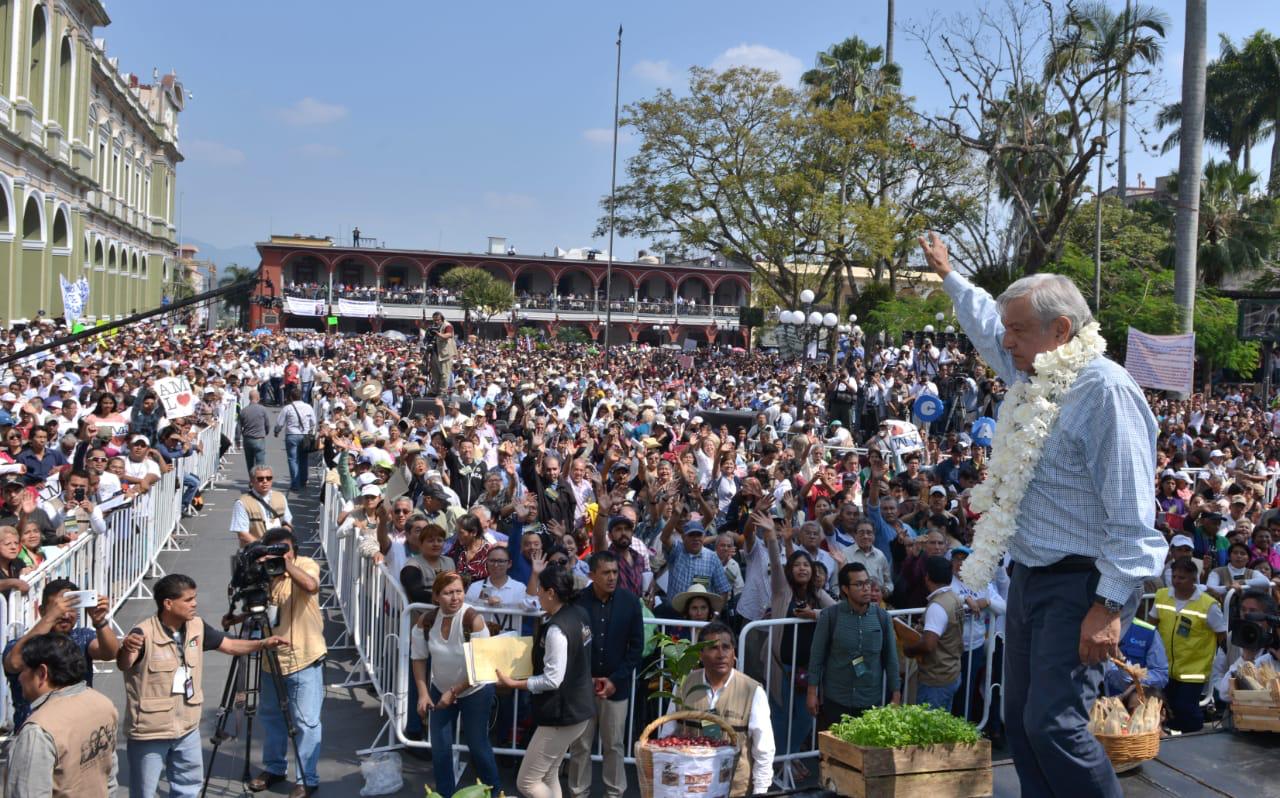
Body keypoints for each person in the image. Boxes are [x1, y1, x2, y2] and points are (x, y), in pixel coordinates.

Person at [920, 233, 1164, 797]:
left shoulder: (1104, 391)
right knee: (1024, 725)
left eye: (1018, 331)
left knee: (1055, 724)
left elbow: (1133, 517)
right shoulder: (1032, 375)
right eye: (1006, 330)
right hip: (1031, 575)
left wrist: (1107, 607)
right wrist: (948, 276)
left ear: (1062, 333)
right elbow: (986, 325)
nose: (1005, 343)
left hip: (1084, 584)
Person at [117, 573, 287, 798]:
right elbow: (124, 663)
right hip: (151, 732)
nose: (194, 603)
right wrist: (127, 648)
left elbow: (230, 645)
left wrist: (263, 643)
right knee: (144, 793)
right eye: (188, 600)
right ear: (168, 603)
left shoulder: (196, 626)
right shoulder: (142, 633)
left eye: (194, 598)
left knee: (189, 787)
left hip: (187, 728)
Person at [496, 566, 595, 798]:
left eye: (539, 590)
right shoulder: (579, 613)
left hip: (561, 715)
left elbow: (552, 680)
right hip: (577, 710)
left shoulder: (556, 629)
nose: (536, 594)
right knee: (548, 775)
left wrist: (514, 684)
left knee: (528, 782)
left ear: (551, 592)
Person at [246, 529, 325, 798]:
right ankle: (275, 768)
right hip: (271, 661)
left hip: (304, 658)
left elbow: (312, 586)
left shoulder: (304, 565)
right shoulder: (265, 573)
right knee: (271, 718)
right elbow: (255, 604)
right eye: (274, 550)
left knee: (306, 723)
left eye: (286, 549)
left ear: (295, 550)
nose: (280, 555)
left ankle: (307, 778)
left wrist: (284, 562)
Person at [410, 571, 501, 798]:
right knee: (440, 748)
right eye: (448, 593)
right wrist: (423, 693)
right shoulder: (426, 621)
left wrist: (454, 691)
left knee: (478, 745)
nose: (455, 598)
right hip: (440, 689)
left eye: (459, 591)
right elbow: (418, 658)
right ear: (436, 596)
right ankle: (445, 794)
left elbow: (482, 666)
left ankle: (496, 792)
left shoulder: (474, 619)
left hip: (476, 690)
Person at [664, 621, 775, 798]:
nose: (721, 654)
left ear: (734, 652)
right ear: (700, 654)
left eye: (726, 647)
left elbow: (764, 749)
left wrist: (760, 792)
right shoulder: (683, 685)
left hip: (735, 788)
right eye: (713, 648)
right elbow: (667, 736)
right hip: (690, 787)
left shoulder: (753, 691)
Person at [567, 552, 645, 798]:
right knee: (580, 746)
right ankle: (578, 793)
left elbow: (636, 648)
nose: (612, 577)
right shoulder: (577, 602)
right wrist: (584, 679)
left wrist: (615, 680)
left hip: (616, 688)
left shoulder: (630, 602)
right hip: (582, 688)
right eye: (606, 572)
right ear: (592, 575)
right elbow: (569, 646)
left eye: (615, 572)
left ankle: (614, 794)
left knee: (614, 745)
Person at [4, 633, 118, 798]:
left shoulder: (38, 730)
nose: (20, 678)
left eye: (23, 670)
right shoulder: (103, 704)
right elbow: (110, 779)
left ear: (42, 673)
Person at [3, 579, 119, 728]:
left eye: (72, 609)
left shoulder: (83, 636)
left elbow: (110, 653)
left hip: (78, 730)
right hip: (36, 733)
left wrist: (100, 621)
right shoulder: (18, 645)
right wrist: (51, 617)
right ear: (42, 611)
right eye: (58, 608)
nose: (65, 615)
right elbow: (15, 662)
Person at [808, 562, 900, 732]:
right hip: (836, 700)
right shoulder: (830, 616)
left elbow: (891, 660)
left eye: (867, 583)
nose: (866, 589)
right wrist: (812, 693)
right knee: (835, 754)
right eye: (859, 584)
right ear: (845, 589)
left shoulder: (882, 618)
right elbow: (816, 658)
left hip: (870, 701)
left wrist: (896, 695)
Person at [1150, 558, 1227, 733]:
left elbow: (1221, 635)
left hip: (1194, 668)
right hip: (1166, 664)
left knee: (1185, 707)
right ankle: (1174, 731)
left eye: (1182, 578)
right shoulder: (1162, 595)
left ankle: (1193, 731)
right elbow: (1152, 623)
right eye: (1175, 576)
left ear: (1194, 579)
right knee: (1169, 706)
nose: (1176, 581)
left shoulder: (1209, 605)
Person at [904, 555, 965, 712]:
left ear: (927, 577)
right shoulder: (955, 598)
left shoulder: (937, 606)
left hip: (936, 680)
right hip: (951, 673)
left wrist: (909, 650)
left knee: (929, 733)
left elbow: (928, 644)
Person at [1103, 618, 1168, 704]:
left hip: (1131, 708)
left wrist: (1134, 679)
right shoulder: (1087, 626)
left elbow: (1161, 676)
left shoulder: (1148, 632)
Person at [230, 465, 294, 547]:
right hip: (255, 551)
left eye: (269, 478)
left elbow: (287, 523)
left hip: (279, 549)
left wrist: (282, 540)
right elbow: (242, 534)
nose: (265, 481)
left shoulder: (281, 497)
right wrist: (264, 547)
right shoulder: (242, 503)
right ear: (252, 481)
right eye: (260, 479)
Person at [274, 386, 317, 494]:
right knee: (303, 458)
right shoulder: (308, 407)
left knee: (293, 459)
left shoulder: (287, 408)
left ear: (291, 397)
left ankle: (295, 483)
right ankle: (303, 480)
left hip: (292, 434)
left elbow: (280, 423)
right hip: (305, 435)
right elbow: (313, 422)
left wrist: (277, 431)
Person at [239, 389, 270, 476]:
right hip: (259, 438)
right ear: (258, 398)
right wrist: (265, 433)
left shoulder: (244, 411)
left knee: (250, 463)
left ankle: (252, 482)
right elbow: (267, 424)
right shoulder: (263, 409)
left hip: (248, 439)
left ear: (249, 398)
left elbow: (238, 426)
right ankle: (259, 483)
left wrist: (237, 439)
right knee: (260, 463)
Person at [427, 311, 456, 395]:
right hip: (434, 353)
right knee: (435, 373)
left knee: (444, 373)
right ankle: (435, 390)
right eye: (434, 320)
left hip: (445, 354)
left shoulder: (447, 325)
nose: (436, 322)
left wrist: (438, 334)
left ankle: (442, 392)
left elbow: (448, 335)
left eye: (438, 320)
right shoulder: (433, 327)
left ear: (442, 319)